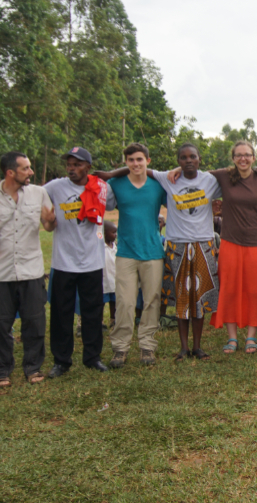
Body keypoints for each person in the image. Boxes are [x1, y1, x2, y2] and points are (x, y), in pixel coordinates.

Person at [0, 152, 55, 388]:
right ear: (10, 173)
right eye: (26, 168)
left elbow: (47, 225)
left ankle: (33, 367)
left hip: (32, 270)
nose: (31, 172)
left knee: (34, 322)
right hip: (1, 271)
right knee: (0, 323)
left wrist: (50, 220)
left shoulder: (39, 193)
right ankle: (0, 370)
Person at [98, 143, 168, 368]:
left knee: (151, 300)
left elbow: (177, 202)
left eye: (140, 159)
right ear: (125, 162)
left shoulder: (158, 185)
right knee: (125, 302)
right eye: (131, 160)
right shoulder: (116, 184)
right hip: (126, 251)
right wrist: (111, 174)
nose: (135, 164)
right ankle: (120, 347)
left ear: (148, 161)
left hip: (153, 251)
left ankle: (147, 344)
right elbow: (98, 188)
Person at [148, 144, 220, 359]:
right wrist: (106, 174)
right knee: (182, 298)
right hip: (177, 246)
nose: (188, 160)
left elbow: (233, 173)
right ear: (177, 161)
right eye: (183, 157)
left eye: (193, 157)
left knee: (199, 299)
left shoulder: (210, 180)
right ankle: (183, 347)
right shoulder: (167, 179)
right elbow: (140, 169)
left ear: (199, 159)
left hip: (203, 245)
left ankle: (197, 346)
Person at [44, 147, 108, 377]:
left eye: (77, 164)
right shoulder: (55, 187)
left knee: (93, 313)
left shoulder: (101, 187)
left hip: (92, 261)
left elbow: (111, 203)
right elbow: (33, 196)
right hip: (63, 262)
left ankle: (92, 357)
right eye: (69, 164)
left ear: (88, 167)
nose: (72, 169)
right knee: (62, 313)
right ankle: (61, 361)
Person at [207, 142, 257, 354]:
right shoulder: (224, 176)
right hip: (229, 241)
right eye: (239, 155)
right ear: (233, 158)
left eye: (247, 155)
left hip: (255, 242)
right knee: (229, 287)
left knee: (255, 288)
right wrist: (176, 170)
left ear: (254, 158)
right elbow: (196, 173)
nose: (243, 159)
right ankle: (232, 337)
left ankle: (251, 337)